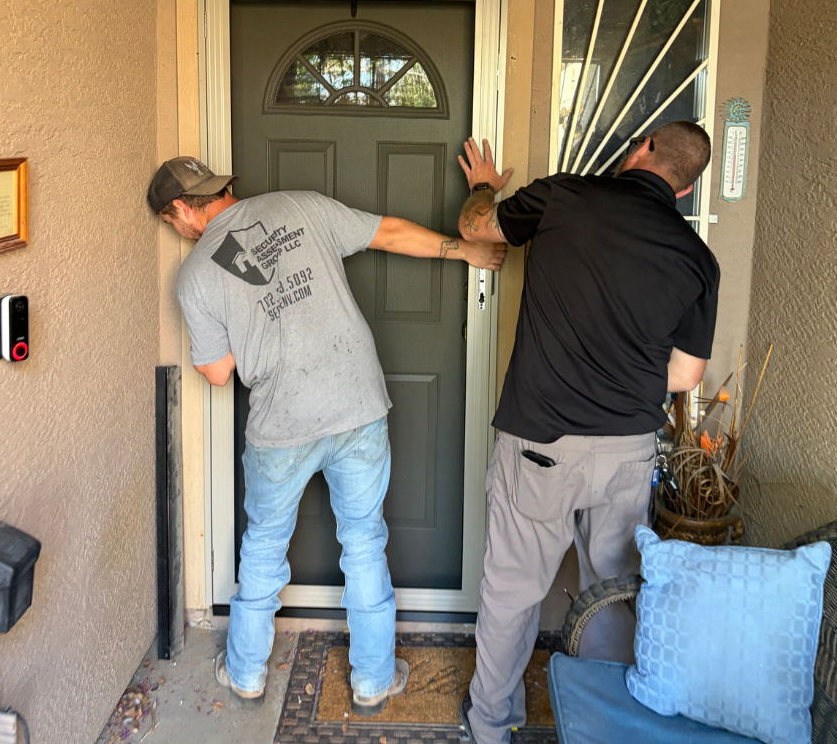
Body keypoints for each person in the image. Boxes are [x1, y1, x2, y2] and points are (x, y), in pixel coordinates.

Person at [147, 156, 506, 716]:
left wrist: (259, 327)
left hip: (281, 423)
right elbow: (386, 232)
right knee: (364, 541)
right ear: (219, 190)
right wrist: (466, 250)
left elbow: (217, 372)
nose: (176, 231)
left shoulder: (195, 275)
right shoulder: (299, 206)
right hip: (356, 401)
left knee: (264, 542)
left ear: (179, 210)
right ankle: (372, 680)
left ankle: (244, 672)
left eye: (171, 222)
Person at [454, 123, 720, 744]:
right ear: (684, 190)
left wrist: (485, 189)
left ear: (645, 147)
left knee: (514, 591)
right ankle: (605, 727)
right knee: (612, 593)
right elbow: (684, 375)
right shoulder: (696, 257)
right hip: (627, 455)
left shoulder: (564, 198)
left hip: (539, 446)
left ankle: (491, 725)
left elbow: (476, 228)